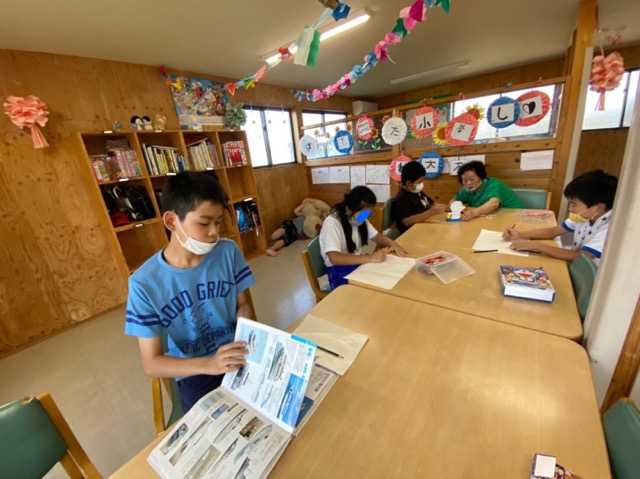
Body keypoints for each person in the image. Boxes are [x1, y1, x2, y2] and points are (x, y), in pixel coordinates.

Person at [124, 172, 254, 412]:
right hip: (195, 369)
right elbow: (151, 363)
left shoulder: (228, 252)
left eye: (218, 221)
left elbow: (243, 305)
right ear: (172, 222)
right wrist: (209, 364)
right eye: (204, 223)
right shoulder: (144, 284)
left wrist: (245, 324)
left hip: (237, 351)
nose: (214, 232)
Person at [502, 169, 618, 264]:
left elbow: (580, 256)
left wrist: (536, 246)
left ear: (599, 207)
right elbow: (552, 231)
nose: (570, 209)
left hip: (591, 278)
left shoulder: (610, 228)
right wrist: (520, 235)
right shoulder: (585, 216)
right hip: (575, 265)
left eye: (574, 205)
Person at [319, 186, 408, 289]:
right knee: (373, 287)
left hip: (357, 262)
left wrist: (393, 244)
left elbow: (375, 236)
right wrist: (370, 258)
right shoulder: (332, 223)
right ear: (348, 208)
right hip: (338, 270)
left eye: (368, 214)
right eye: (363, 213)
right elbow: (335, 258)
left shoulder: (359, 217)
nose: (365, 217)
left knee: (385, 278)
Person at [452, 161, 524, 220]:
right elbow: (453, 202)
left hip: (515, 215)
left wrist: (473, 213)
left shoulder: (494, 183)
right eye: (464, 180)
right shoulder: (467, 189)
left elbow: (494, 203)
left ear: (482, 176)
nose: (468, 183)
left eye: (472, 179)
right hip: (491, 217)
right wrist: (459, 209)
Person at [392, 160, 447, 234]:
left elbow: (433, 204)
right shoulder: (401, 198)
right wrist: (431, 212)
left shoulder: (417, 192)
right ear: (409, 183)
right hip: (411, 232)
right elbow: (406, 221)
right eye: (419, 182)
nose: (422, 184)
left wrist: (457, 208)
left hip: (424, 225)